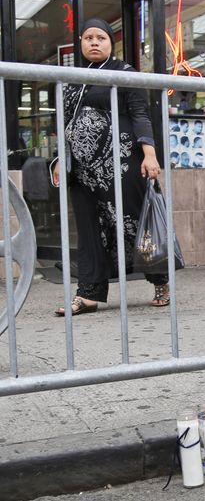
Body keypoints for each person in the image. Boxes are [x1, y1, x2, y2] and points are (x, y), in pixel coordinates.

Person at [52, 18, 170, 315]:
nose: (94, 42)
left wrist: (150, 154)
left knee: (133, 224)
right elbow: (64, 125)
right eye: (89, 37)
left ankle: (160, 280)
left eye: (101, 38)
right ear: (80, 42)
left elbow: (140, 112)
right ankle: (88, 294)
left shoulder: (123, 72)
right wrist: (60, 159)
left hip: (122, 166)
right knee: (89, 229)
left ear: (110, 43)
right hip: (81, 170)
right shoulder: (73, 78)